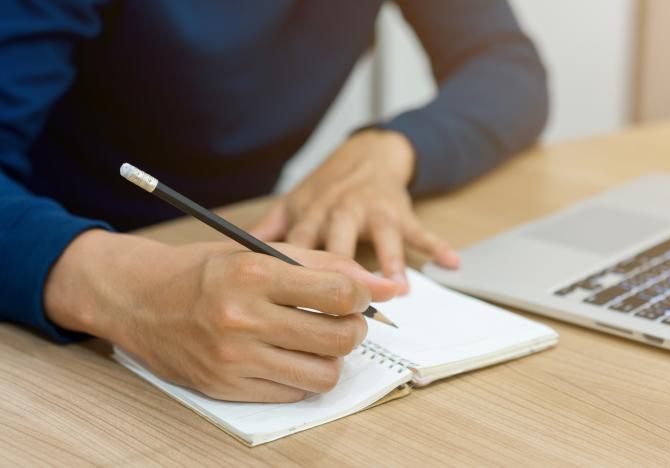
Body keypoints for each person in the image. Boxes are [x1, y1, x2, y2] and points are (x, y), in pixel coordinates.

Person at [0, 0, 548, 402]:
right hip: (40, 299)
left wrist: (394, 146)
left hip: (241, 239)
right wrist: (118, 289)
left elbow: (506, 66)